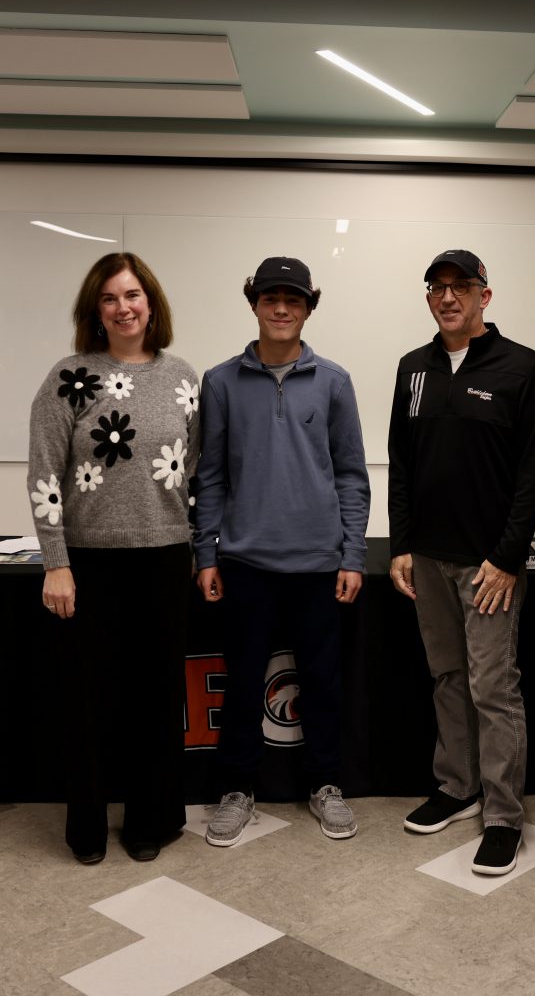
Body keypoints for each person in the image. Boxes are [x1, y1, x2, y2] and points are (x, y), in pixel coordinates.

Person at [28, 252, 200, 865]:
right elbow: (46, 474)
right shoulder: (69, 376)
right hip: (90, 563)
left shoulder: (184, 378)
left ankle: (151, 821)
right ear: (95, 311)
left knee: (156, 699)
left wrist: (202, 552)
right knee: (89, 702)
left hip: (164, 557)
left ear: (151, 303)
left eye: (133, 295)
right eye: (109, 298)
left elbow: (196, 476)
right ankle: (87, 828)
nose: (123, 307)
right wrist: (56, 562)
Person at [388, 249, 535, 875]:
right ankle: (458, 787)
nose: (449, 296)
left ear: (487, 295)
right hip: (428, 558)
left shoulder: (522, 368)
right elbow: (400, 462)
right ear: (429, 297)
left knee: (493, 687)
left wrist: (508, 557)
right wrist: (401, 543)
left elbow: (532, 472)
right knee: (448, 678)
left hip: (490, 566)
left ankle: (504, 815)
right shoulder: (413, 368)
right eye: (439, 287)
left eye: (463, 286)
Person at [194, 256, 370, 845]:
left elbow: (351, 474)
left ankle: (325, 784)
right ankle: (236, 790)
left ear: (307, 308)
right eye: (270, 298)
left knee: (321, 680)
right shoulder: (220, 382)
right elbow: (210, 476)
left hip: (319, 564)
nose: (281, 308)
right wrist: (206, 554)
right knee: (243, 681)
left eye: (292, 299)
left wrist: (351, 556)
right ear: (254, 304)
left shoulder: (334, 381)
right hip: (246, 564)